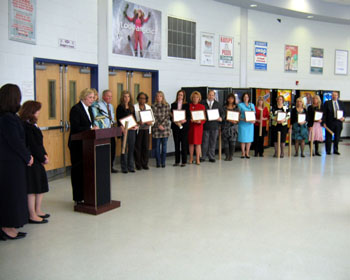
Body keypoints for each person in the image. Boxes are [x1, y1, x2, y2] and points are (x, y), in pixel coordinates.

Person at [0, 84, 33, 240]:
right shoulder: (7, 118)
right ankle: (6, 227)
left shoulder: (9, 116)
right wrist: (28, 156)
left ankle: (11, 225)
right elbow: (15, 141)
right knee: (11, 195)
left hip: (11, 162)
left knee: (15, 194)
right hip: (9, 163)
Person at [19, 101, 49, 224]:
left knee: (40, 186)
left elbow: (39, 143)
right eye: (37, 111)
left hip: (38, 159)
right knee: (32, 188)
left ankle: (38, 210)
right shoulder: (25, 126)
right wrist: (42, 157)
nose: (39, 113)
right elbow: (33, 145)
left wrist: (45, 154)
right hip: (32, 160)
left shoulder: (32, 124)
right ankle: (32, 214)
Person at [68, 88, 97, 204]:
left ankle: (86, 195)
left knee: (86, 171)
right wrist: (90, 129)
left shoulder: (89, 109)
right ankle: (78, 197)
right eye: (90, 97)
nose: (92, 100)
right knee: (77, 171)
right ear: (84, 97)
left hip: (86, 144)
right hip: (77, 145)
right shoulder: (76, 109)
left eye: (93, 97)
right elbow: (75, 127)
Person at [116, 90, 137, 173]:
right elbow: (118, 119)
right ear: (122, 97)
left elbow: (134, 117)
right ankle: (124, 167)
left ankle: (131, 166)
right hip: (124, 130)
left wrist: (135, 125)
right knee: (124, 148)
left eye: (128, 96)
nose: (126, 98)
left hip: (131, 130)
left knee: (131, 148)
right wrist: (122, 128)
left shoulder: (132, 107)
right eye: (125, 96)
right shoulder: (120, 107)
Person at [98, 89, 118, 173]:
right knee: (104, 150)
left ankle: (111, 167)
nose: (110, 98)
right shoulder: (99, 105)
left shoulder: (111, 106)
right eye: (108, 96)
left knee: (112, 149)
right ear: (103, 96)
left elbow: (112, 118)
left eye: (111, 96)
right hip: (103, 131)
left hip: (111, 130)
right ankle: (104, 167)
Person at [201, 90, 223, 163]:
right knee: (204, 142)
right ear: (207, 95)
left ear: (214, 96)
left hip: (215, 126)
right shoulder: (202, 103)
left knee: (213, 142)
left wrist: (221, 118)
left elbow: (223, 114)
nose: (211, 96)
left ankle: (211, 156)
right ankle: (203, 156)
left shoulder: (218, 104)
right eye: (209, 95)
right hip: (205, 126)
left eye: (212, 95)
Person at [134, 92, 154, 170]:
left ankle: (145, 164)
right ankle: (138, 164)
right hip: (138, 130)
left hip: (146, 130)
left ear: (146, 99)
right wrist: (138, 122)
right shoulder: (134, 107)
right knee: (138, 147)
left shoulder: (149, 107)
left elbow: (153, 119)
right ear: (138, 99)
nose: (142, 100)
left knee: (146, 147)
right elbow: (133, 119)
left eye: (144, 98)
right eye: (141, 98)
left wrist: (151, 123)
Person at [171, 90, 190, 167]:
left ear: (184, 96)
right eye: (179, 95)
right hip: (175, 126)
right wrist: (173, 120)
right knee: (176, 144)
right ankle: (177, 161)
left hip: (184, 127)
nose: (180, 96)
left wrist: (185, 120)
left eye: (181, 95)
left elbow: (189, 116)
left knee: (184, 144)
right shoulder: (173, 104)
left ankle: (184, 161)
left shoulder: (187, 105)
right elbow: (170, 116)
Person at [152, 91, 171, 168]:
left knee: (164, 147)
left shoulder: (167, 105)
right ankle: (158, 162)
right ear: (156, 97)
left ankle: (163, 162)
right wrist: (158, 125)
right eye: (157, 96)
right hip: (156, 129)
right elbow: (153, 117)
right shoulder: (153, 106)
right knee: (157, 147)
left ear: (162, 97)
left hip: (165, 129)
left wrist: (162, 125)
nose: (159, 97)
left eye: (160, 96)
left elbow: (168, 117)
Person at [188, 91, 206, 165]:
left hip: (199, 127)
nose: (195, 98)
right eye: (194, 97)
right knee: (191, 143)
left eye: (197, 97)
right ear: (192, 98)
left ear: (199, 98)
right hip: (191, 127)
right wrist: (190, 120)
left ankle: (198, 158)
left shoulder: (202, 106)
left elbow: (204, 119)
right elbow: (187, 116)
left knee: (198, 144)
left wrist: (200, 122)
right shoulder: (189, 106)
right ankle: (191, 158)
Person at [238, 92, 255, 159]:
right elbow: (238, 116)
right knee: (243, 139)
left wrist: (254, 120)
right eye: (244, 97)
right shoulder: (240, 105)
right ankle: (243, 153)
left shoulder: (252, 105)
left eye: (247, 97)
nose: (246, 98)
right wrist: (243, 119)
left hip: (250, 124)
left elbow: (254, 114)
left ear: (249, 98)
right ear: (243, 98)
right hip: (243, 123)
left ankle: (247, 152)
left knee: (249, 139)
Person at [222, 93, 239, 161]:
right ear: (227, 99)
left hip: (233, 128)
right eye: (229, 98)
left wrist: (236, 121)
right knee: (225, 142)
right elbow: (223, 116)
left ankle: (231, 155)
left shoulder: (236, 107)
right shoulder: (224, 107)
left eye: (232, 98)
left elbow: (238, 117)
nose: (230, 100)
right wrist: (228, 118)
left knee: (233, 142)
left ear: (234, 99)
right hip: (225, 127)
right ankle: (227, 155)